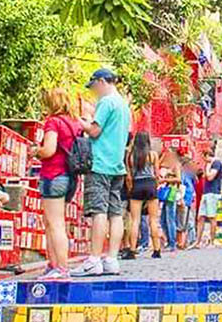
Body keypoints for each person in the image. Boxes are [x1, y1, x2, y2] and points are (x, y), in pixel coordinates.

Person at [72, 68, 131, 276]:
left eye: (95, 85)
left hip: (100, 163)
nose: (94, 90)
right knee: (115, 213)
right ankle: (111, 259)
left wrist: (81, 122)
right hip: (117, 165)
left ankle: (94, 259)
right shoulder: (124, 105)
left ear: (102, 81)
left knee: (98, 212)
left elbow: (95, 131)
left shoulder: (106, 102)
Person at [32, 87, 82, 277]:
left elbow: (49, 150)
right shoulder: (74, 123)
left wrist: (37, 151)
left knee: (55, 224)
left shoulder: (53, 122)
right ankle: (53, 265)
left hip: (53, 175)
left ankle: (60, 267)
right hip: (68, 177)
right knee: (53, 222)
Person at [124, 131, 163, 259]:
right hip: (150, 184)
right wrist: (155, 186)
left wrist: (130, 190)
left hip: (137, 185)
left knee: (135, 220)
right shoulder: (153, 155)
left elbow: (128, 177)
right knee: (153, 219)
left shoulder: (130, 156)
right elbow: (157, 174)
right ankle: (157, 249)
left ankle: (132, 249)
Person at [158, 144, 182, 254]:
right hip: (165, 191)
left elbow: (179, 179)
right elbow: (157, 165)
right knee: (163, 219)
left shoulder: (176, 165)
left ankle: (172, 243)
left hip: (171, 192)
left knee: (170, 217)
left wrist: (166, 179)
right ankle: (169, 241)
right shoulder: (166, 163)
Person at [197, 152, 222, 247]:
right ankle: (198, 241)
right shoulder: (210, 164)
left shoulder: (216, 163)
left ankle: (212, 241)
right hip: (206, 192)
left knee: (212, 217)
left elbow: (210, 177)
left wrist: (207, 168)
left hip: (213, 193)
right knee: (200, 217)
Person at [179, 156, 198, 249]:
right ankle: (187, 241)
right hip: (187, 198)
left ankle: (191, 240)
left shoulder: (186, 174)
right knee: (186, 221)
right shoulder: (186, 174)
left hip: (187, 199)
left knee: (187, 221)